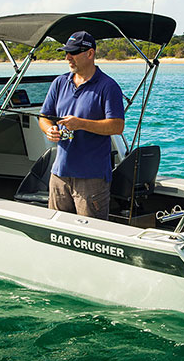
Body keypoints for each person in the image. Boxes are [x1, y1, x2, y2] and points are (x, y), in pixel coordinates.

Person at [39, 30, 125, 220]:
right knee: (56, 229)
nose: (68, 57)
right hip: (59, 174)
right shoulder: (59, 83)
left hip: (91, 178)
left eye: (73, 52)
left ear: (90, 53)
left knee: (92, 233)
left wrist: (81, 124)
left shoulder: (108, 87)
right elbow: (44, 117)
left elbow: (117, 126)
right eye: (66, 53)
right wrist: (49, 129)